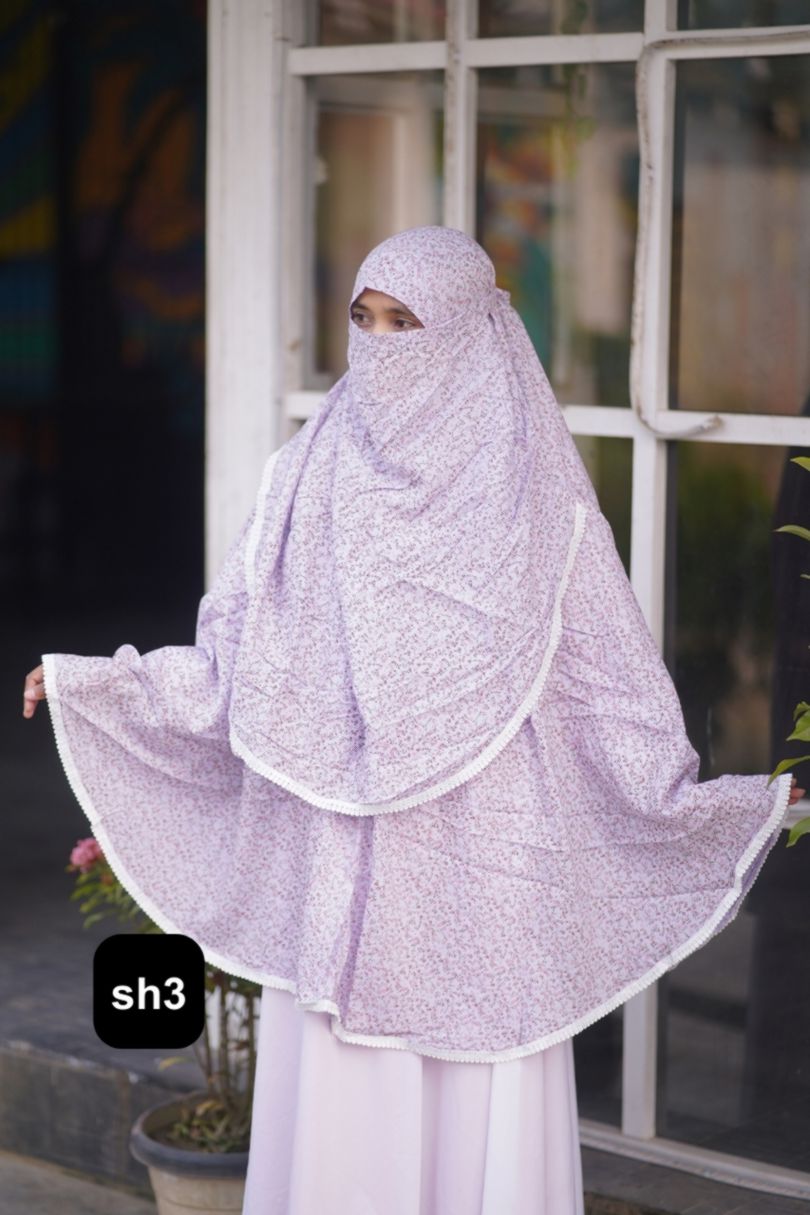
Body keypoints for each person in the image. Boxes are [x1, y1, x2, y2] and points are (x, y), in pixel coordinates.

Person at [23, 226, 802, 1215]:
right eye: (367, 319)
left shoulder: (535, 499)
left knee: (477, 1110)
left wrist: (713, 805)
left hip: (481, 877)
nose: (383, 344)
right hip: (340, 880)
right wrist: (101, 688)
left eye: (408, 322)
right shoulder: (303, 475)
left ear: (471, 332)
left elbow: (609, 686)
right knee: (346, 1118)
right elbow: (234, 660)